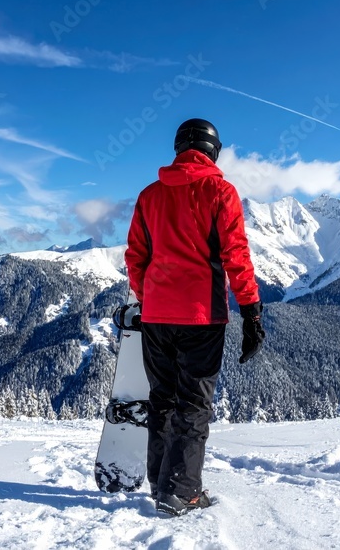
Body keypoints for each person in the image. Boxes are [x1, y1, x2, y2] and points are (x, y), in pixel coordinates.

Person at [124, 118, 266, 517]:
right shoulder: (220, 191)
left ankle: (161, 482)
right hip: (201, 318)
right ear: (213, 150)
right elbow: (235, 256)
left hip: (156, 318)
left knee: (162, 399)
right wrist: (252, 313)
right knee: (193, 405)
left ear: (178, 147)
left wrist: (148, 297)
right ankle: (181, 492)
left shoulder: (149, 195)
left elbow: (135, 256)